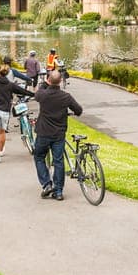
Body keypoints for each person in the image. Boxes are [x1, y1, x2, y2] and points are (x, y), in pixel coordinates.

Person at [32, 70, 82, 200]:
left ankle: (46, 184)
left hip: (43, 132)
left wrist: (45, 83)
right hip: (58, 133)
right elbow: (78, 110)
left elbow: (37, 93)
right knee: (58, 160)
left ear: (49, 80)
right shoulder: (66, 97)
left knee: (38, 156)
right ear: (60, 81)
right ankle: (58, 191)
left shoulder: (43, 94)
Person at [0, 60, 35, 163]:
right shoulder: (10, 85)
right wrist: (34, 95)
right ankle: (1, 149)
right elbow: (22, 91)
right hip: (5, 110)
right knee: (2, 131)